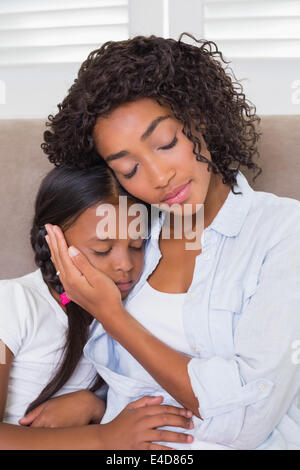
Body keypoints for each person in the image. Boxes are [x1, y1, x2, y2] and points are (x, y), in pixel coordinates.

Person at [41, 33, 300, 450]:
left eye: (166, 144)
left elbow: (245, 421)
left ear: (201, 117)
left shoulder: (283, 232)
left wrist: (114, 317)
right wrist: (96, 402)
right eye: (129, 169)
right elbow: (132, 376)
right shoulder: (135, 233)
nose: (158, 177)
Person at [0, 163, 194, 450]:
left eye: (137, 245)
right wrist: (104, 437)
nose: (125, 265)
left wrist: (94, 404)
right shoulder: (12, 303)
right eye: (102, 249)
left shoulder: (128, 312)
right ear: (52, 242)